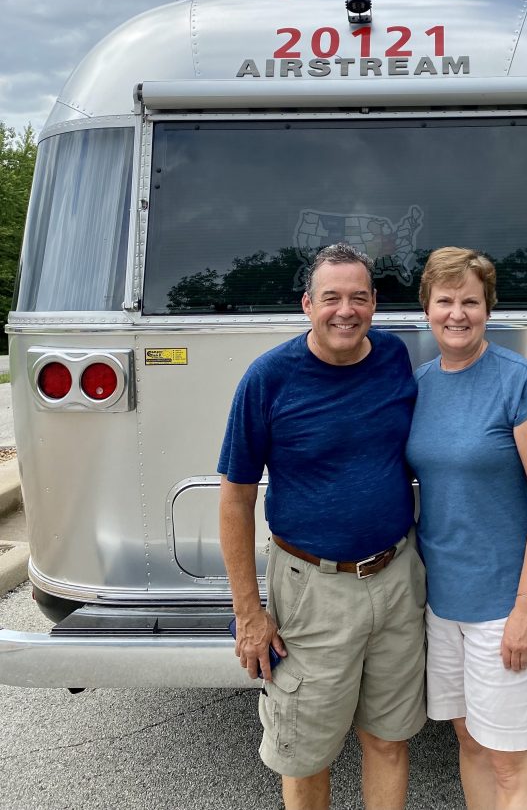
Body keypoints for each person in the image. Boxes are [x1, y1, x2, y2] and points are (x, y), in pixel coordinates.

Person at [218, 242, 426, 810]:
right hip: (312, 590)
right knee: (306, 756)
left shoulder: (393, 359)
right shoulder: (268, 379)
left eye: (359, 297)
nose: (345, 310)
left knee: (389, 739)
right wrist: (248, 614)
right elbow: (235, 499)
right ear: (307, 304)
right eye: (331, 297)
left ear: (374, 303)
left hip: (397, 577)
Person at [406, 247, 527, 810]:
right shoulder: (420, 385)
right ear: (427, 308)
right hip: (444, 603)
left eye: (470, 302)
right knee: (470, 741)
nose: (457, 313)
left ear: (488, 309)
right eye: (445, 300)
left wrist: (526, 611)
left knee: (511, 763)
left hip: (504, 604)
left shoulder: (519, 383)